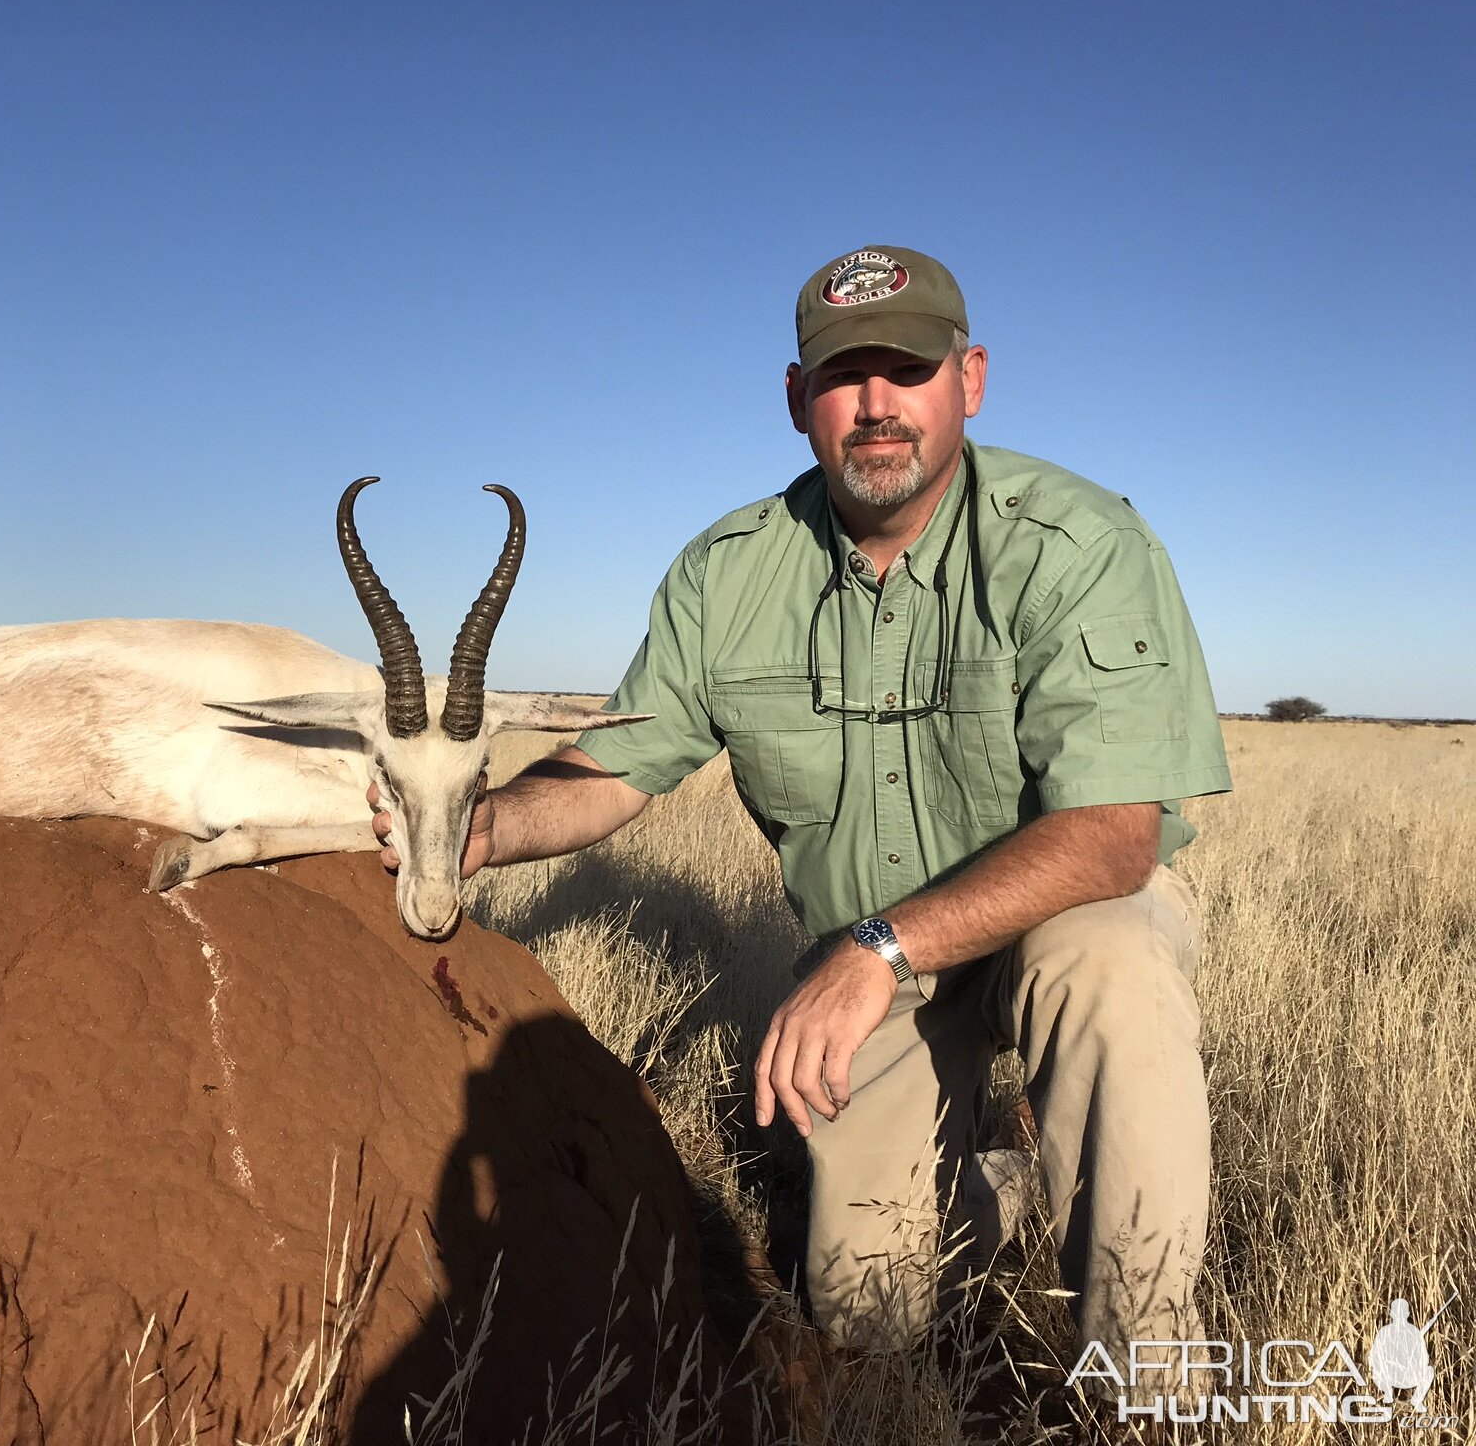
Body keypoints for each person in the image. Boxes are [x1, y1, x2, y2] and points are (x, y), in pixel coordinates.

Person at [371, 245, 1232, 1355]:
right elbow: (614, 772)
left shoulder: (1078, 543)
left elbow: (1112, 840)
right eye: (840, 378)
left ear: (967, 381)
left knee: (1109, 967)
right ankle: (1006, 1180)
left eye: (906, 371)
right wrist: (481, 829)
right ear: (796, 401)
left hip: (1043, 917)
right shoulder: (724, 572)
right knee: (865, 1319)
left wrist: (873, 950)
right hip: (880, 975)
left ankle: (1146, 1385)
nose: (874, 407)